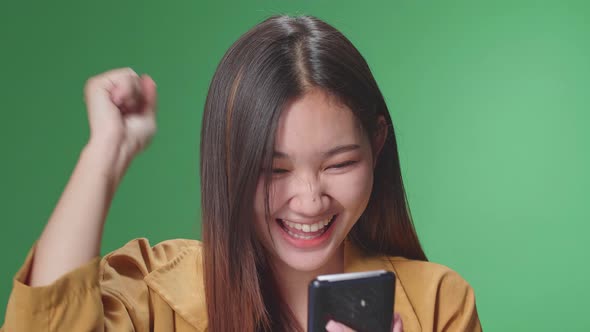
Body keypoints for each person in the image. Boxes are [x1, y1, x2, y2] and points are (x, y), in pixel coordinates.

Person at [1, 15, 481, 332]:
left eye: (339, 164)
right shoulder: (156, 296)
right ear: (230, 162)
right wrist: (105, 152)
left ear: (377, 145)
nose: (309, 199)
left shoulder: (437, 304)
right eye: (274, 169)